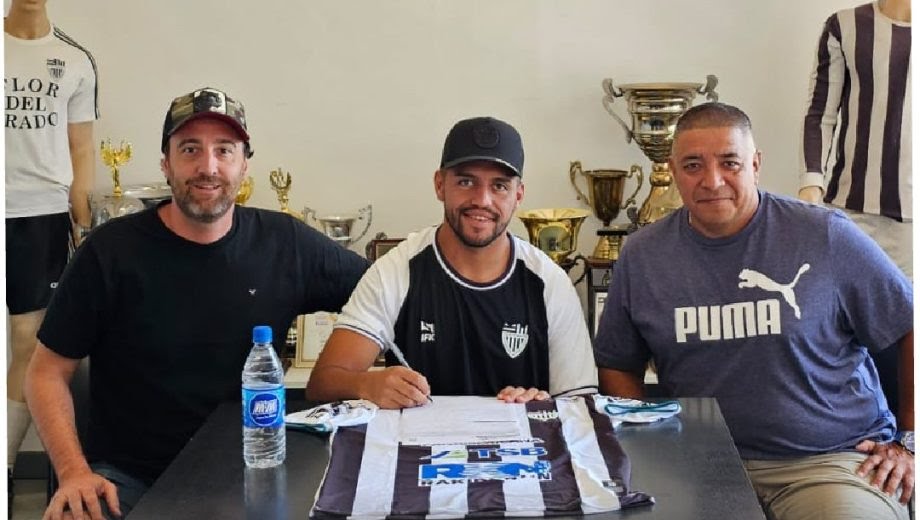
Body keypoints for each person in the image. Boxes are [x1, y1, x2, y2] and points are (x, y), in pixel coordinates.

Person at [24, 87, 370, 519]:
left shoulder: (286, 242)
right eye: (190, 149)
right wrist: (74, 473)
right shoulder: (109, 252)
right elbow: (45, 373)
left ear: (244, 165)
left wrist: (363, 380)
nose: (208, 167)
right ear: (166, 164)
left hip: (256, 470)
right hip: (130, 480)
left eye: (224, 150)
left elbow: (381, 293)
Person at [595, 102, 913, 520]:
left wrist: (909, 441)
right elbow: (618, 363)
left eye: (730, 163)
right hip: (702, 467)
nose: (712, 180)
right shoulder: (642, 255)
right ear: (673, 172)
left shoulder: (824, 234)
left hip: (830, 462)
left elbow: (909, 324)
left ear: (756, 165)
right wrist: (650, 443)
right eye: (693, 165)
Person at [306, 116, 597, 408]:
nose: (482, 200)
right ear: (440, 185)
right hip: (417, 439)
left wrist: (543, 405)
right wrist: (367, 384)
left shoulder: (549, 281)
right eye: (466, 182)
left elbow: (581, 405)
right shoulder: (397, 270)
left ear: (518, 195)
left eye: (499, 186)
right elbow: (322, 383)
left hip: (518, 439)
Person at [5, 0, 98, 488]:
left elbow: (81, 148)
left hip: (39, 214)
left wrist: (83, 225)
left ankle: (5, 468)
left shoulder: (75, 59)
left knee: (27, 341)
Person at [800, 0, 911, 279]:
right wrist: (811, 184)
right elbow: (820, 114)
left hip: (912, 226)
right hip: (852, 213)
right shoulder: (844, 25)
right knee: (844, 303)